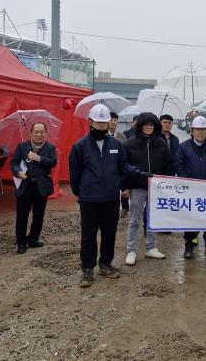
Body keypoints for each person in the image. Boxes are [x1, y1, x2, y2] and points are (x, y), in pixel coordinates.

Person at [69, 104, 146, 287]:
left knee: (109, 233)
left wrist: (141, 173)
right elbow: (75, 175)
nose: (102, 124)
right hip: (89, 200)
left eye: (104, 122)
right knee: (88, 236)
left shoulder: (116, 144)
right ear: (90, 122)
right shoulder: (80, 146)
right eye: (99, 122)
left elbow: (124, 167)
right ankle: (88, 269)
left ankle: (105, 264)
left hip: (111, 198)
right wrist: (82, 192)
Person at [122, 112, 173, 266]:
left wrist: (167, 183)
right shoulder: (129, 143)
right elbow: (124, 167)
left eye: (151, 124)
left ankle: (151, 247)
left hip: (156, 187)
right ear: (140, 126)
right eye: (146, 124)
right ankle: (131, 250)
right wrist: (125, 187)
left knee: (153, 219)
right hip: (137, 186)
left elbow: (168, 165)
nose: (149, 127)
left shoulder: (161, 143)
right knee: (134, 220)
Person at [175, 115, 206, 259]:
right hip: (191, 190)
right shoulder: (184, 147)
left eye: (203, 129)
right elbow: (179, 166)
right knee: (190, 217)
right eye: (197, 129)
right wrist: (188, 182)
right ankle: (189, 245)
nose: (200, 132)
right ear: (192, 130)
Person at [11, 122, 58, 254]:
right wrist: (18, 172)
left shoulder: (50, 147)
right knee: (22, 215)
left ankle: (33, 238)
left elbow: (53, 162)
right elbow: (14, 162)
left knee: (38, 215)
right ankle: (21, 242)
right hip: (25, 186)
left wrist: (38, 158)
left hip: (41, 187)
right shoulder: (22, 146)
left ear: (46, 133)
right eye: (36, 131)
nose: (38, 134)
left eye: (41, 132)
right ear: (31, 133)